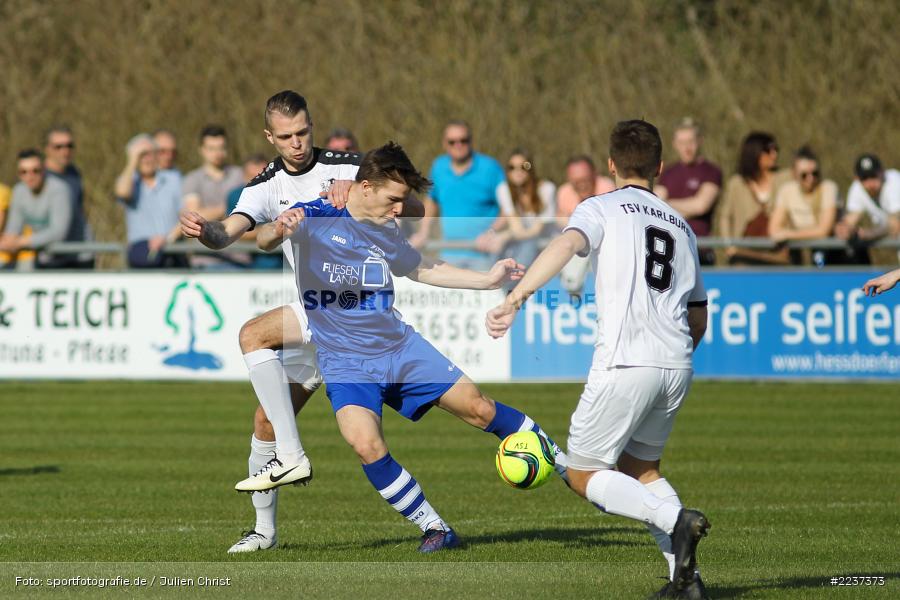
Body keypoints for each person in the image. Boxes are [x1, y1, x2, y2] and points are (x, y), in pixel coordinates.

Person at [259, 141, 568, 553]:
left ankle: (567, 466)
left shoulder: (384, 227)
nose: (399, 209)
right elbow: (262, 238)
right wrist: (280, 227)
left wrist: (487, 280)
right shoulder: (314, 214)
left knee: (480, 409)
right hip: (344, 361)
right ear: (365, 187)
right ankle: (435, 528)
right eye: (394, 199)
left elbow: (420, 268)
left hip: (398, 349)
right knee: (365, 444)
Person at [180, 90, 422, 554]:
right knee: (267, 421)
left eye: (303, 132)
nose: (297, 143)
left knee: (253, 335)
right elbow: (231, 233)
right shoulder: (264, 187)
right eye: (286, 136)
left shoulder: (351, 167)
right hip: (319, 318)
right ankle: (265, 532)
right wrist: (205, 231)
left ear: (313, 125)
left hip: (355, 310)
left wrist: (356, 194)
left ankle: (293, 458)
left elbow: (415, 208)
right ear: (269, 136)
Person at [486, 120, 711, 599]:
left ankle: (677, 520)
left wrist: (517, 296)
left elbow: (567, 245)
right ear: (660, 167)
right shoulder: (682, 226)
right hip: (677, 362)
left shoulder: (600, 207)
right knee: (641, 472)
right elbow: (698, 315)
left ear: (610, 165)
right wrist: (675, 356)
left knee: (583, 474)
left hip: (626, 361)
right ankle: (686, 584)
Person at [410, 120, 505, 269]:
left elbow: (508, 208)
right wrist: (424, 232)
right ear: (444, 144)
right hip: (449, 252)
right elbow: (431, 201)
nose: (458, 145)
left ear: (471, 141)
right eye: (452, 142)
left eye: (463, 140)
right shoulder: (438, 167)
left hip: (484, 254)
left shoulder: (490, 168)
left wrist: (492, 232)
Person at [716, 131, 793, 265]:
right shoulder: (737, 183)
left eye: (776, 150)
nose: (774, 155)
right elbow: (725, 216)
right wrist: (728, 244)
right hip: (744, 256)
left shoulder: (785, 178)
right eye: (768, 150)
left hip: (777, 255)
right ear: (754, 152)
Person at [115, 134, 187, 268]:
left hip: (173, 252)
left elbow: (186, 213)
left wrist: (167, 238)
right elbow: (122, 192)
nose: (147, 159)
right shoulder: (130, 181)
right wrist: (132, 160)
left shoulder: (174, 179)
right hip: (141, 256)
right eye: (142, 155)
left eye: (150, 153)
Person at [655, 119, 721, 265]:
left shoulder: (711, 171)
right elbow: (655, 204)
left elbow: (701, 205)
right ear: (674, 144)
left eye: (690, 141)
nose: (687, 147)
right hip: (670, 249)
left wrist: (668, 205)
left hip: (699, 249)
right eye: (682, 142)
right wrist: (684, 206)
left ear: (700, 141)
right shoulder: (667, 173)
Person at [480, 149, 556, 272]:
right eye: (512, 167)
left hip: (544, 247)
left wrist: (505, 236)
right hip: (521, 245)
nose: (518, 172)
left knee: (528, 246)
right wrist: (490, 234)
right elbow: (516, 227)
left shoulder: (547, 189)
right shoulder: (503, 189)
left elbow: (536, 231)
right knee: (496, 255)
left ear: (531, 169)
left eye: (524, 166)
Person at [182, 125, 245, 268]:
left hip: (239, 256)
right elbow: (195, 217)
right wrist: (228, 208)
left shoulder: (240, 175)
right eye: (211, 148)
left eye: (221, 147)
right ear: (202, 150)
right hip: (205, 258)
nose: (217, 153)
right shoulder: (192, 179)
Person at [0, 150, 72, 270]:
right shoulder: (18, 191)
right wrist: (9, 241)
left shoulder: (59, 190)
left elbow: (59, 232)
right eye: (24, 172)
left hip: (72, 258)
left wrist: (23, 242)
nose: (30, 176)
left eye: (35, 170)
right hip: (42, 257)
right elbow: (14, 228)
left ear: (44, 170)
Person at [767, 146, 838, 265]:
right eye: (804, 175)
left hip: (834, 254)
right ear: (794, 174)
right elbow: (774, 230)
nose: (811, 179)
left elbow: (823, 231)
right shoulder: (786, 191)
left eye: (815, 173)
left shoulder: (828, 188)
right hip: (802, 256)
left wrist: (788, 234)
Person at [555, 155, 615, 293]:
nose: (581, 184)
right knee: (571, 280)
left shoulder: (607, 188)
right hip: (579, 243)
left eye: (585, 179)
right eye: (575, 181)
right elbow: (560, 222)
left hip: (605, 244)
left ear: (594, 174)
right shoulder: (564, 192)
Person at [834, 154, 900, 264]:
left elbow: (895, 225)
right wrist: (844, 229)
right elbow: (850, 219)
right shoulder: (857, 188)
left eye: (873, 176)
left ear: (882, 172)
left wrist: (867, 234)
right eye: (864, 178)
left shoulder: (894, 182)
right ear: (857, 178)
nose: (870, 183)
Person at [43, 125, 92, 268]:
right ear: (47, 149)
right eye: (58, 147)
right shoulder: (38, 177)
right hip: (51, 255)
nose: (65, 151)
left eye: (69, 146)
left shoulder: (74, 173)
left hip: (78, 252)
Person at [225, 154, 281, 270]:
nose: (259, 183)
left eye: (263, 177)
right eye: (254, 178)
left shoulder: (281, 193)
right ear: (245, 176)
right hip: (251, 263)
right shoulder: (237, 195)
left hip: (285, 260)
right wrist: (270, 229)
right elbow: (236, 232)